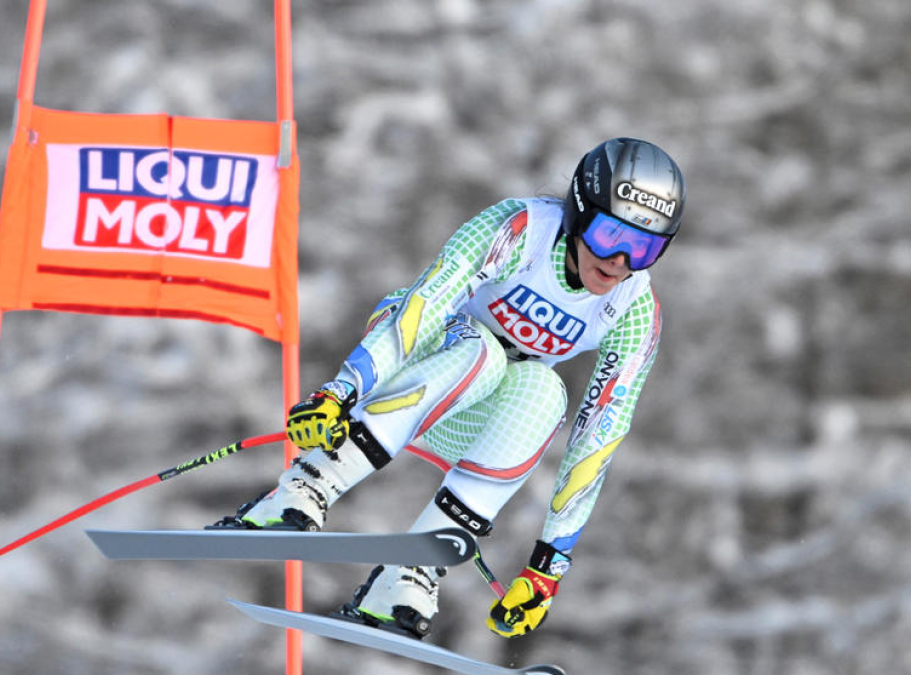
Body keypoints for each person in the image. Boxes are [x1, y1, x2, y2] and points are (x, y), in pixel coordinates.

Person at [211, 137, 686, 640]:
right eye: (611, 234)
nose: (619, 261)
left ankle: (411, 571)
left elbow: (599, 439)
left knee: (546, 394)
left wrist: (550, 565)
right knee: (480, 352)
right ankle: (305, 487)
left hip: (469, 416)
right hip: (405, 363)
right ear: (578, 211)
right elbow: (422, 308)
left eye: (645, 248)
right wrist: (339, 392)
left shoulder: (634, 311)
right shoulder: (520, 230)